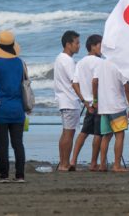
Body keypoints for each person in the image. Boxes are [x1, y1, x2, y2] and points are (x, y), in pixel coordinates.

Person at [0, 30, 27, 183]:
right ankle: (20, 176)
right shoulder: (20, 62)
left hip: (1, 109)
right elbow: (24, 84)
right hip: (18, 109)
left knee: (2, 146)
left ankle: (4, 176)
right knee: (18, 144)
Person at [93, 58, 129, 172]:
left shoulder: (100, 63)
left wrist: (95, 100)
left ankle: (102, 165)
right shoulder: (120, 64)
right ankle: (116, 165)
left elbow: (95, 82)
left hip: (104, 106)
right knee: (120, 135)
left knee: (106, 136)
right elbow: (127, 88)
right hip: (117, 106)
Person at [70, 34, 104, 170]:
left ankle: (73, 161)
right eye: (101, 46)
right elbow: (95, 82)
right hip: (99, 103)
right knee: (98, 134)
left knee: (84, 132)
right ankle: (93, 163)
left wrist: (84, 101)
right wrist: (95, 100)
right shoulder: (99, 62)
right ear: (93, 46)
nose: (102, 49)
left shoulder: (81, 62)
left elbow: (74, 83)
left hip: (88, 103)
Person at [53, 30, 81, 172]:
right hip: (69, 100)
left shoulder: (60, 58)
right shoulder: (67, 60)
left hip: (64, 100)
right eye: (76, 43)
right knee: (68, 133)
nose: (79, 46)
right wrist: (84, 99)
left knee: (66, 133)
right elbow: (75, 82)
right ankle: (64, 164)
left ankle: (63, 163)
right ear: (68, 44)